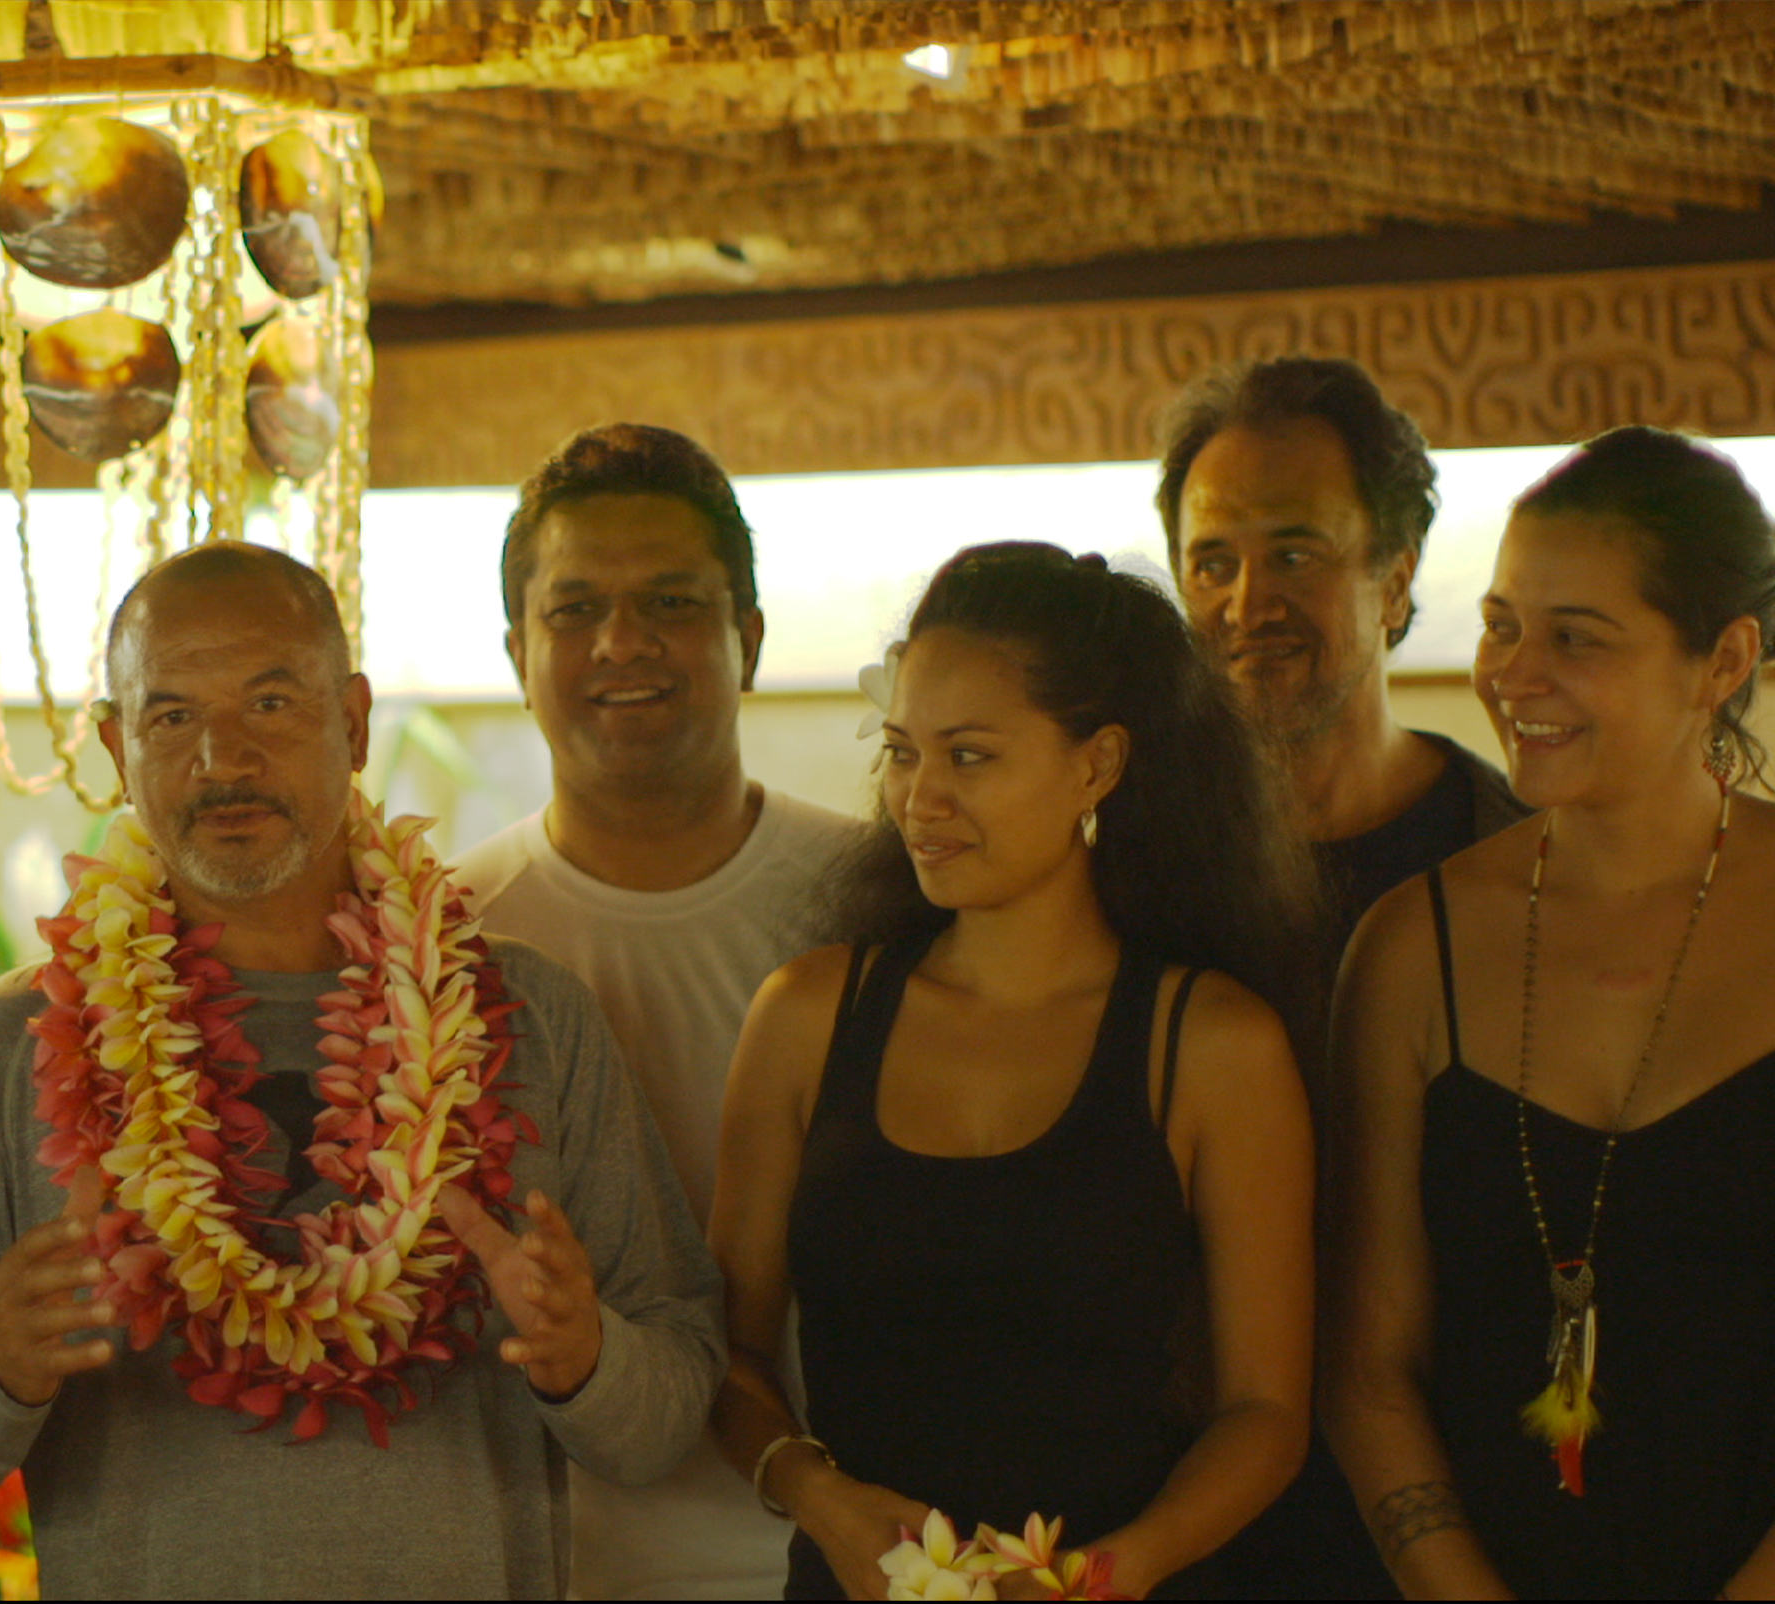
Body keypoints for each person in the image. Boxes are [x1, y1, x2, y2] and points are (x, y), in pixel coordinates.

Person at [0, 541, 727, 1599]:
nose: (223, 758)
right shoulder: (4, 1047)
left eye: (270, 703)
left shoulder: (530, 1020)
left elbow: (670, 1410)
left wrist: (588, 1357)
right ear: (117, 746)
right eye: (172, 716)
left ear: (354, 721)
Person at [716, 542, 1322, 1599]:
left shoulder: (1214, 1044)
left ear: (1099, 765)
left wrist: (1111, 1571)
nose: (921, 798)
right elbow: (725, 1352)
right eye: (902, 752)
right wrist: (816, 1495)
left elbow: (1266, 1412)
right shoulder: (807, 1017)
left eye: (970, 756)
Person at [1325, 427, 1775, 1600]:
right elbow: (1368, 1370)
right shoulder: (1412, 945)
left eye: (1575, 637)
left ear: (1724, 659)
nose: (1513, 674)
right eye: (1501, 624)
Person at [456, 423, 860, 1599]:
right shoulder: (439, 939)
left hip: (850, 1551)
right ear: (518, 651)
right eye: (575, 608)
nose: (622, 642)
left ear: (750, 639)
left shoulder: (882, 901)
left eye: (671, 602)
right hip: (555, 1563)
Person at [1160, 357, 1529, 964]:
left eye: (1293, 557)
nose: (1248, 607)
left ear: (1394, 585)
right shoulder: (1133, 861)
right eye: (1213, 566)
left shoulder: (1519, 854)